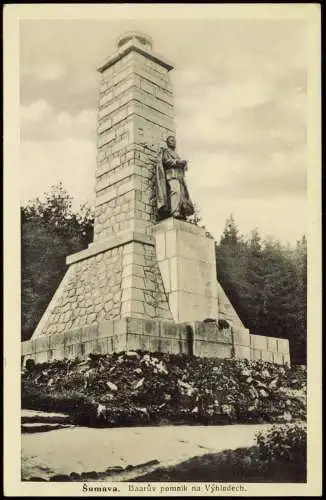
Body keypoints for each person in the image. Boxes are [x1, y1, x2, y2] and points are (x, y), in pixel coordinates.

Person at [156, 136, 195, 220]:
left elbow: (180, 166)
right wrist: (178, 162)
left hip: (178, 176)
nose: (174, 142)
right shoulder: (166, 151)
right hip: (171, 175)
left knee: (181, 194)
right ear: (168, 142)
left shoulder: (176, 154)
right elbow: (166, 161)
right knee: (175, 191)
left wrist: (184, 164)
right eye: (171, 140)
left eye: (174, 140)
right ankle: (174, 211)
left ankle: (179, 211)